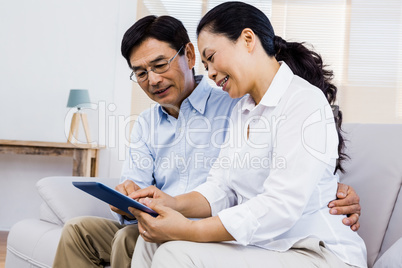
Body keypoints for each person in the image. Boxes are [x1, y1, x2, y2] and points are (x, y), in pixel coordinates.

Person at [52, 14, 362, 268]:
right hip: (261, 243)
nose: (211, 73)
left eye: (211, 59)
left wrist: (188, 228)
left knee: (169, 249)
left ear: (248, 40)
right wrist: (167, 202)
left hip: (309, 246)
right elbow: (222, 186)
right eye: (141, 72)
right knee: (147, 243)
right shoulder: (244, 107)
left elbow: (285, 199)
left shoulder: (293, 100)